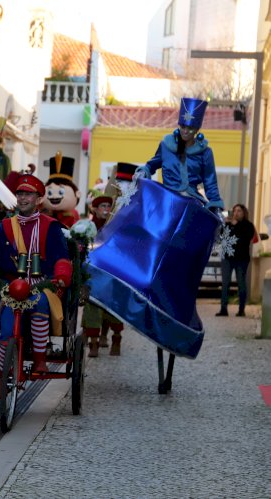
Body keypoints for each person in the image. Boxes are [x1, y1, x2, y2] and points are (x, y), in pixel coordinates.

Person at [86, 97, 223, 360]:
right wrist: (145, 171)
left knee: (183, 252)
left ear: (197, 130)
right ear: (179, 125)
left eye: (190, 130)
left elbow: (211, 182)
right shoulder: (167, 143)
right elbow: (154, 162)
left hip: (190, 204)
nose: (185, 133)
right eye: (183, 128)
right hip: (166, 202)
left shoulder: (205, 152)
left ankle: (171, 296)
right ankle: (123, 271)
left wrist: (216, 206)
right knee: (144, 233)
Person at [0, 174, 72, 374]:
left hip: (40, 287)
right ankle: (4, 375)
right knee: (6, 331)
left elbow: (62, 258)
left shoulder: (51, 227)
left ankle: (39, 359)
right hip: (9, 289)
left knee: (41, 304)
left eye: (28, 194)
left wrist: (61, 276)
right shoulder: (4, 227)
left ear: (38, 200)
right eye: (20, 194)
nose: (22, 198)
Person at [81, 193, 124, 356]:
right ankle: (93, 342)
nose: (106, 210)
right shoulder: (88, 227)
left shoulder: (115, 227)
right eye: (102, 207)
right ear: (96, 209)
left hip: (112, 272)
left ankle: (115, 339)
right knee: (93, 305)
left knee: (113, 306)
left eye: (108, 206)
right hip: (94, 272)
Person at [217, 203, 258, 317]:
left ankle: (241, 309)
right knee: (225, 283)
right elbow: (222, 237)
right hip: (227, 258)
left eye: (239, 211)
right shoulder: (228, 225)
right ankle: (223, 309)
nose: (236, 213)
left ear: (244, 213)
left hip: (241, 259)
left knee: (241, 283)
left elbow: (245, 239)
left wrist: (236, 226)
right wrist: (224, 225)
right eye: (234, 211)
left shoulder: (248, 225)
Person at [42, 152, 80, 228]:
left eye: (61, 192)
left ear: (77, 194)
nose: (54, 196)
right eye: (49, 192)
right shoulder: (43, 213)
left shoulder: (72, 214)